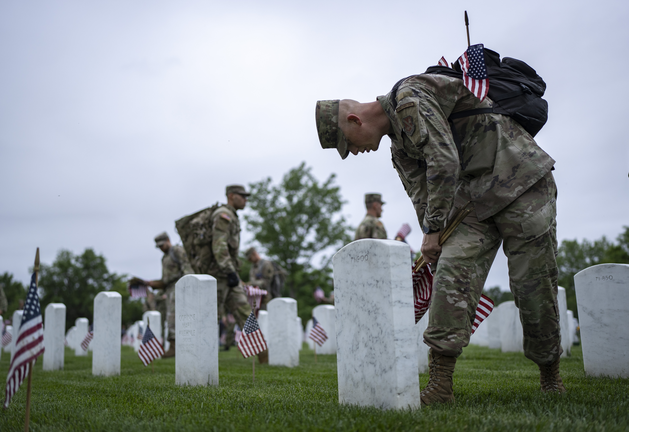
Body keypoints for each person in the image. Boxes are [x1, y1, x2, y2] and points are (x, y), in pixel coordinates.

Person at [315, 70, 564, 404]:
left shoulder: (410, 98)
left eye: (348, 144)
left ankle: (549, 372)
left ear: (355, 119)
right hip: (474, 203)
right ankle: (441, 382)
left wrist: (433, 231)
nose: (355, 152)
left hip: (521, 181)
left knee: (531, 284)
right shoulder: (400, 150)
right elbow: (422, 197)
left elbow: (443, 162)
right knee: (451, 275)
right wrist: (434, 240)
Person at [205, 185, 265, 362]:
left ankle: (263, 357)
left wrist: (232, 274)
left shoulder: (232, 216)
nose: (246, 199)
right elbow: (219, 244)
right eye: (242, 196)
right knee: (211, 317)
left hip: (230, 276)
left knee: (246, 314)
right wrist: (229, 270)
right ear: (231, 196)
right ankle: (203, 360)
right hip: (219, 275)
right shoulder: (223, 214)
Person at [143, 232, 194, 358]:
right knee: (170, 317)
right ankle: (174, 345)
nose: (161, 248)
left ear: (168, 240)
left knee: (173, 316)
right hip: (169, 289)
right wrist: (152, 284)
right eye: (158, 246)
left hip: (180, 287)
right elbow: (165, 280)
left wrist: (186, 287)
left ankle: (175, 347)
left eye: (162, 245)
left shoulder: (176, 251)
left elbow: (187, 269)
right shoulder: (164, 258)